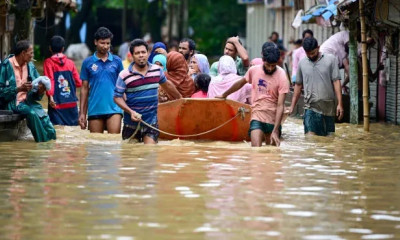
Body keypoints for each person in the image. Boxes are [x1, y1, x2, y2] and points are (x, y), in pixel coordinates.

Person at [216, 44, 289, 147]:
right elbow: (241, 83)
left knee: (272, 154)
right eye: (268, 65)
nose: (270, 68)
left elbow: (280, 105)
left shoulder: (282, 75)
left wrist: (276, 130)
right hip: (257, 115)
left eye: (273, 65)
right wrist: (224, 94)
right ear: (263, 59)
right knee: (256, 151)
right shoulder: (254, 70)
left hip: (273, 119)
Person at [114, 39, 182, 144]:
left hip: (151, 123)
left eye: (143, 52)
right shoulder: (124, 75)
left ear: (148, 53)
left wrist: (180, 99)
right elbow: (117, 97)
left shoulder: (157, 70)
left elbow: (167, 85)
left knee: (150, 153)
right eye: (137, 53)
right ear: (132, 55)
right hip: (131, 123)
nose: (141, 55)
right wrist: (130, 112)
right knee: (130, 155)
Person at [0, 40, 56, 142]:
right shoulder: (6, 65)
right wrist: (18, 89)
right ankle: (43, 145)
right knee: (32, 114)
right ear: (23, 53)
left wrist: (40, 90)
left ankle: (52, 144)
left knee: (46, 120)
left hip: (28, 101)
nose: (32, 55)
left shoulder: (30, 66)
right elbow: (1, 92)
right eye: (31, 53)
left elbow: (36, 94)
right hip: (13, 103)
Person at [289, 37, 344, 136]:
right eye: (308, 53)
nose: (311, 55)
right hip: (310, 107)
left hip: (328, 108)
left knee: (329, 141)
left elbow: (336, 82)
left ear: (318, 48)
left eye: (313, 53)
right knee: (310, 139)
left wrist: (340, 104)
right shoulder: (302, 63)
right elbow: (298, 85)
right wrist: (292, 106)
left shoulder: (331, 60)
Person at [79, 27, 124, 134]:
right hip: (95, 109)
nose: (105, 46)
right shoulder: (87, 62)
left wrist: (128, 110)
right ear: (95, 42)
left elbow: (123, 86)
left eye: (108, 43)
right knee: (95, 145)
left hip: (114, 109)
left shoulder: (117, 61)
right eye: (102, 43)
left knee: (114, 143)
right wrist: (82, 113)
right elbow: (84, 89)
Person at [43, 35, 82, 126]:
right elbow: (79, 82)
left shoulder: (48, 62)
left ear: (50, 48)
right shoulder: (71, 63)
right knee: (72, 133)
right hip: (71, 103)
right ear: (63, 48)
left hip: (56, 104)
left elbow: (50, 81)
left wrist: (51, 97)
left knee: (58, 131)